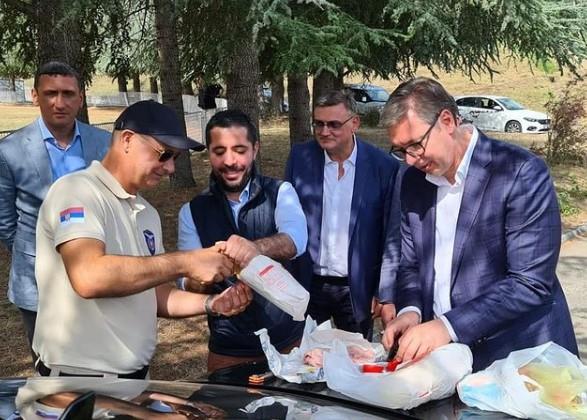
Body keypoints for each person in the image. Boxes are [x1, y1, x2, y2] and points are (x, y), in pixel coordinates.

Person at [32, 100, 253, 378]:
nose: (170, 168)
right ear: (127, 140)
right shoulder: (77, 191)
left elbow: (155, 295)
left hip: (134, 380)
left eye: (175, 158)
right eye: (164, 154)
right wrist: (185, 262)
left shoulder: (147, 213)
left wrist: (212, 304)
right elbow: (88, 276)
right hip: (79, 382)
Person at [380, 77, 578, 371]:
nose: (409, 160)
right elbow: (410, 264)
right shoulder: (412, 180)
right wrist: (410, 311)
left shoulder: (520, 172)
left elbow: (529, 282)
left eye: (415, 145)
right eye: (400, 150)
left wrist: (446, 326)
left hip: (523, 358)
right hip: (450, 361)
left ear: (447, 121)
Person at [177, 109, 308, 373]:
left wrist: (254, 249)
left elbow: (296, 241)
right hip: (229, 346)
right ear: (209, 153)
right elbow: (186, 282)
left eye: (239, 150)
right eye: (219, 151)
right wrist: (205, 276)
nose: (230, 161)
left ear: (255, 149)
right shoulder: (191, 211)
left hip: (288, 339)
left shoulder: (281, 192)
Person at [0, 61, 110, 358]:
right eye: (50, 93)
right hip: (37, 282)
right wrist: (37, 251)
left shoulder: (104, 143)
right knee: (48, 365)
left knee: (100, 361)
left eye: (68, 94)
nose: (59, 103)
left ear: (81, 98)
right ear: (35, 96)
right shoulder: (9, 150)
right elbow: (5, 220)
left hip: (97, 270)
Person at [284, 89, 401, 339]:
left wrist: (383, 292)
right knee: (306, 355)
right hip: (308, 283)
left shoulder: (384, 167)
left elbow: (391, 235)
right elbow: (287, 219)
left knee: (355, 357)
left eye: (334, 125)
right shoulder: (300, 158)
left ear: (354, 123)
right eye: (319, 124)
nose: (324, 131)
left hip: (357, 287)